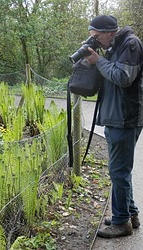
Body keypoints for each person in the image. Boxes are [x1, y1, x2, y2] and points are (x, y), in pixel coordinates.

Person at [85, 15, 143, 238]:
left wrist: (98, 61)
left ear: (109, 32)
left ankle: (121, 223)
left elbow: (122, 77)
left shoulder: (131, 44)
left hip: (125, 118)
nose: (96, 41)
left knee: (118, 171)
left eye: (97, 37)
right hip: (115, 117)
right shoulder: (114, 46)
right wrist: (95, 59)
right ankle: (130, 214)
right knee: (120, 171)